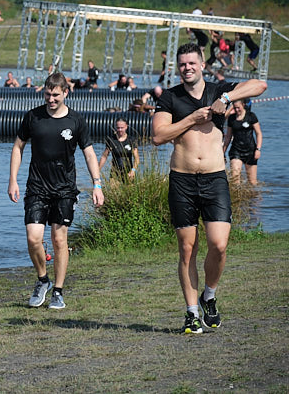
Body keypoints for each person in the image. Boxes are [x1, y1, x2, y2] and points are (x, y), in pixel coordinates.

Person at [152, 42, 267, 334]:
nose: (187, 68)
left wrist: (225, 98)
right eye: (182, 64)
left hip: (214, 179)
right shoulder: (170, 97)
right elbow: (158, 136)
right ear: (178, 67)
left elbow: (260, 85)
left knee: (219, 244)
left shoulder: (219, 91)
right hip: (182, 180)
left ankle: (209, 295)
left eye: (192, 63)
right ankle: (191, 313)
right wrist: (192, 119)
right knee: (187, 248)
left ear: (202, 64)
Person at [8, 72, 104, 310]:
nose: (50, 99)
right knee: (33, 238)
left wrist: (97, 184)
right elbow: (18, 146)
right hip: (37, 186)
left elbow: (89, 153)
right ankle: (43, 280)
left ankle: (58, 292)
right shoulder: (33, 117)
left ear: (65, 93)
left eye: (55, 95)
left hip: (64, 189)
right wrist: (13, 180)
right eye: (47, 94)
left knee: (59, 240)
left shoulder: (76, 120)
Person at [223, 99, 262, 185]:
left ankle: (251, 194)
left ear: (243, 105)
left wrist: (258, 149)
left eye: (238, 108)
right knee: (235, 179)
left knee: (252, 182)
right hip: (236, 150)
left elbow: (258, 133)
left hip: (250, 151)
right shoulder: (232, 118)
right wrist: (223, 152)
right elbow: (228, 137)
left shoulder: (251, 116)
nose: (237, 110)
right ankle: (236, 193)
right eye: (235, 108)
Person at [98, 118, 139, 182]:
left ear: (126, 127)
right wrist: (97, 171)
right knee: (113, 188)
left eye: (122, 128)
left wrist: (133, 170)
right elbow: (104, 157)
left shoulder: (131, 140)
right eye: (118, 128)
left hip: (129, 172)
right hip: (115, 172)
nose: (120, 130)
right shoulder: (111, 140)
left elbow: (136, 158)